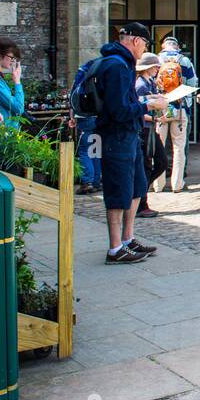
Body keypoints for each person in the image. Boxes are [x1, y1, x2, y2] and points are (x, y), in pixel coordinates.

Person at [93, 23, 166, 263]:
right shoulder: (116, 65)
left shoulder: (123, 64)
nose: (144, 49)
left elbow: (124, 102)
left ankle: (127, 239)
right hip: (116, 135)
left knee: (136, 185)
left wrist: (146, 100)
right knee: (118, 190)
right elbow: (118, 110)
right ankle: (115, 248)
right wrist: (148, 105)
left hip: (128, 134)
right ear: (136, 40)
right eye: (145, 43)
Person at [157, 35, 197, 183]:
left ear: (163, 47)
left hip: (161, 107)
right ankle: (178, 180)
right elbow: (192, 83)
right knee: (180, 145)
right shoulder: (184, 60)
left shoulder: (157, 59)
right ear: (177, 46)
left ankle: (158, 181)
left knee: (159, 144)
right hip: (180, 107)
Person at [134, 52, 165, 218]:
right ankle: (141, 201)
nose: (157, 69)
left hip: (151, 127)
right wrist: (155, 117)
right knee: (147, 165)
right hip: (145, 129)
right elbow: (140, 110)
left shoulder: (150, 83)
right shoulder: (140, 85)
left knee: (160, 163)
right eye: (155, 66)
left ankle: (140, 193)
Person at [69, 57, 102, 195]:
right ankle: (96, 180)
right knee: (96, 149)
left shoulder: (84, 73)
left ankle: (87, 181)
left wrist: (72, 114)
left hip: (85, 117)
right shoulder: (102, 74)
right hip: (99, 117)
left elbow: (73, 95)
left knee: (85, 150)